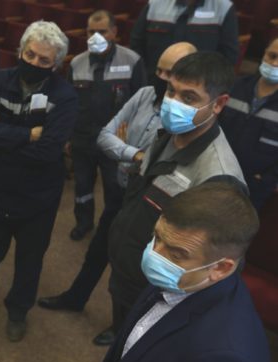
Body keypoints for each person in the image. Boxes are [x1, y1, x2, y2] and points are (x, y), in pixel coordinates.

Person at [87, 181, 275, 362]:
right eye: (157, 236)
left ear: (221, 268)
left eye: (176, 254)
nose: (154, 254)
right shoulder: (182, 279)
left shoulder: (223, 355)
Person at [38, 42, 196, 318]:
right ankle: (76, 297)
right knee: (99, 248)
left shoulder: (185, 114)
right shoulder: (145, 94)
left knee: (131, 265)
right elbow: (105, 137)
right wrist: (135, 155)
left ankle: (119, 326)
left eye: (169, 72)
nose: (161, 77)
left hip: (151, 204)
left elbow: (160, 165)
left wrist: (124, 150)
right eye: (158, 70)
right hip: (121, 190)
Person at [102, 51, 246, 346]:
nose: (173, 102)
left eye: (189, 97)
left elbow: (216, 259)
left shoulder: (219, 178)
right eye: (171, 91)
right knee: (122, 333)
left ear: (218, 104)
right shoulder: (166, 134)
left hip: (157, 289)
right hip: (128, 268)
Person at [0, 20, 78, 342]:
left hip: (38, 200)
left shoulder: (64, 96)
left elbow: (48, 152)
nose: (34, 62)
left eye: (44, 60)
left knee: (29, 263)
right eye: (30, 54)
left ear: (55, 65)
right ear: (20, 51)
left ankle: (18, 312)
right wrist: (27, 135)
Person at [67, 10, 146, 241]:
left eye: (102, 31)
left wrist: (134, 141)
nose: (96, 37)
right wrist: (69, 137)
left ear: (114, 32)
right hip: (83, 139)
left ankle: (111, 229)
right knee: (82, 187)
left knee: (115, 188)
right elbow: (69, 104)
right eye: (91, 31)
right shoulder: (77, 63)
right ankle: (83, 223)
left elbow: (142, 103)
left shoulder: (132, 61)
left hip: (116, 141)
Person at [220, 37, 278, 211]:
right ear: (264, 54)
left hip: (253, 188)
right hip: (215, 172)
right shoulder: (236, 86)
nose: (275, 63)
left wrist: (267, 179)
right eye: (272, 55)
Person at [130, 0, 239, 78]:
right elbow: (137, 43)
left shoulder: (223, 7)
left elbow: (228, 56)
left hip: (198, 85)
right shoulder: (155, 3)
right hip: (156, 78)